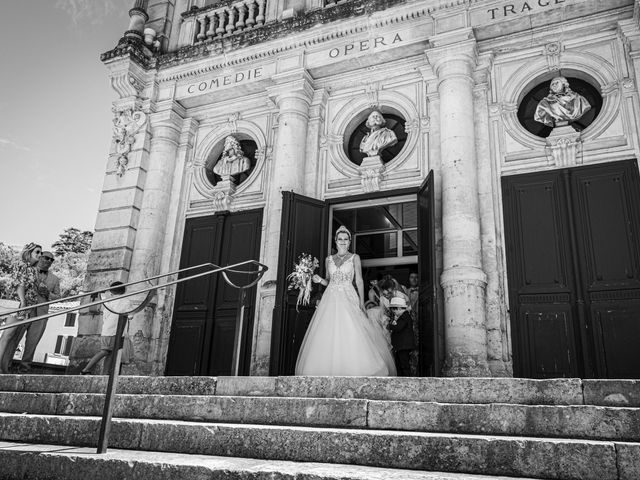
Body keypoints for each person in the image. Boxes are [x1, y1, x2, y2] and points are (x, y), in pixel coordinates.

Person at [295, 226, 396, 376]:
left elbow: (360, 281)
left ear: (349, 242)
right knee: (328, 331)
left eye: (345, 239)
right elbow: (329, 281)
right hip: (331, 297)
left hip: (349, 295)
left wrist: (362, 302)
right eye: (340, 239)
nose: (343, 241)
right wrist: (319, 279)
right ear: (335, 241)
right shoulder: (328, 259)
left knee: (352, 329)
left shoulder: (355, 257)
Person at [0, 243, 42, 374]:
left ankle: (4, 367)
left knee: (13, 338)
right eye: (37, 252)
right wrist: (23, 302)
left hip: (26, 307)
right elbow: (19, 284)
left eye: (41, 253)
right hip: (19, 304)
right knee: (8, 335)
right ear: (29, 253)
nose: (40, 255)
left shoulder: (33, 270)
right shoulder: (22, 266)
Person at [17, 251, 61, 372]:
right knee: (14, 338)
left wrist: (48, 294)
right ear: (40, 257)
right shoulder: (28, 271)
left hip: (41, 314)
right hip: (25, 310)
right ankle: (4, 365)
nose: (49, 261)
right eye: (47, 258)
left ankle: (24, 368)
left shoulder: (55, 279)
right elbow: (18, 286)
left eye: (52, 260)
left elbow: (58, 297)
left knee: (32, 342)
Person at [81, 281, 132, 375]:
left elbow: (105, 315)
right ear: (124, 291)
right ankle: (86, 369)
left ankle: (105, 373)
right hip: (116, 332)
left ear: (112, 291)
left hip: (106, 331)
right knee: (107, 352)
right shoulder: (126, 301)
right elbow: (130, 316)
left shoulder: (109, 302)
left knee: (108, 353)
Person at [388, 296, 416, 377]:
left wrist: (390, 326)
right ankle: (401, 378)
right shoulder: (402, 316)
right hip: (401, 346)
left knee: (404, 365)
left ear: (400, 308)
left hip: (404, 345)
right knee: (399, 364)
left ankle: (407, 379)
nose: (393, 312)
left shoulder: (405, 316)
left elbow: (398, 327)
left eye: (394, 309)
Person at [407, 271, 420, 376]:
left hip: (420, 322)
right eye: (412, 277)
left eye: (416, 277)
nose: (414, 279)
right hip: (407, 324)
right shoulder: (405, 292)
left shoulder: (424, 292)